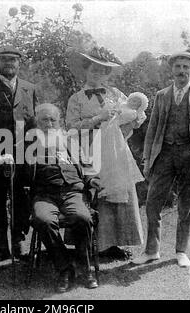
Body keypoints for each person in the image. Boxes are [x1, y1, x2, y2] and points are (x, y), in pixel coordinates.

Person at [133, 51, 190, 267]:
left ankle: (181, 251)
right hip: (164, 155)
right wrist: (147, 159)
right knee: (153, 203)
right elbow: (153, 129)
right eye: (178, 67)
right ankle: (151, 250)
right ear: (172, 70)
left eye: (186, 67)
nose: (182, 71)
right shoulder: (161, 95)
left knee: (186, 204)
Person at [66, 47, 146, 260]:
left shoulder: (116, 94)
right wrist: (96, 119)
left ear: (107, 74)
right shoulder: (77, 98)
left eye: (102, 71)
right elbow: (71, 128)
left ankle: (113, 244)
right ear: (86, 70)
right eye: (93, 69)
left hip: (115, 151)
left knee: (118, 193)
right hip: (88, 151)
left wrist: (135, 117)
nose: (97, 74)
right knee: (95, 194)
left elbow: (130, 116)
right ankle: (91, 244)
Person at [25, 103, 101, 292]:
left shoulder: (70, 142)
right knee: (43, 220)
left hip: (72, 191)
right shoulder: (27, 144)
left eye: (53, 120)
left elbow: (87, 167)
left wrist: (91, 181)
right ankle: (65, 269)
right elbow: (21, 176)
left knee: (82, 218)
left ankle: (85, 267)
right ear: (37, 122)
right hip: (44, 195)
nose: (49, 124)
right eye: (44, 120)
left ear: (59, 122)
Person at [0, 46, 38, 261]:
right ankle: (1, 247)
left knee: (21, 199)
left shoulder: (30, 89)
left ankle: (19, 242)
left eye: (13, 60)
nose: (9, 63)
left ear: (19, 63)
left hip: (23, 155)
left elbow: (34, 125)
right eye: (4, 60)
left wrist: (32, 154)